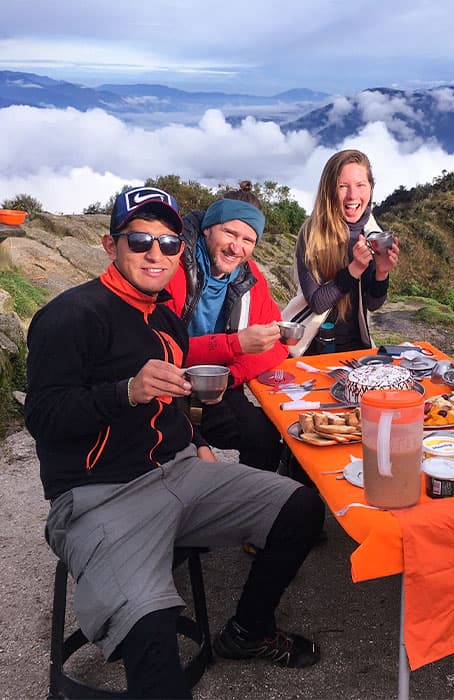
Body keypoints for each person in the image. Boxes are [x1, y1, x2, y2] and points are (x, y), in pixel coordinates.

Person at [25, 186, 325, 698]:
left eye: (167, 243)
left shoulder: (165, 317)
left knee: (301, 507)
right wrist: (124, 392)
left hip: (178, 471)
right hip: (101, 494)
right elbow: (45, 417)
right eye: (140, 240)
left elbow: (178, 397)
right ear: (110, 245)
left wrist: (197, 438)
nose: (155, 253)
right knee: (153, 637)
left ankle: (248, 630)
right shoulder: (70, 316)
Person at [165, 182, 286, 471]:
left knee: (264, 436)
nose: (236, 247)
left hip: (217, 388)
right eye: (229, 232)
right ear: (208, 227)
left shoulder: (250, 276)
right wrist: (235, 345)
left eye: (248, 239)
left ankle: (255, 507)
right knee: (183, 466)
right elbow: (158, 349)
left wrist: (229, 377)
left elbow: (279, 344)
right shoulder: (173, 266)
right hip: (165, 390)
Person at [295, 149, 399, 353]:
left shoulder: (374, 233)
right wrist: (355, 269)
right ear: (329, 190)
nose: (352, 196)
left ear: (371, 187)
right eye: (342, 186)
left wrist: (382, 273)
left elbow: (371, 303)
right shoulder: (312, 234)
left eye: (361, 185)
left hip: (357, 348)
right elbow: (317, 302)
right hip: (312, 349)